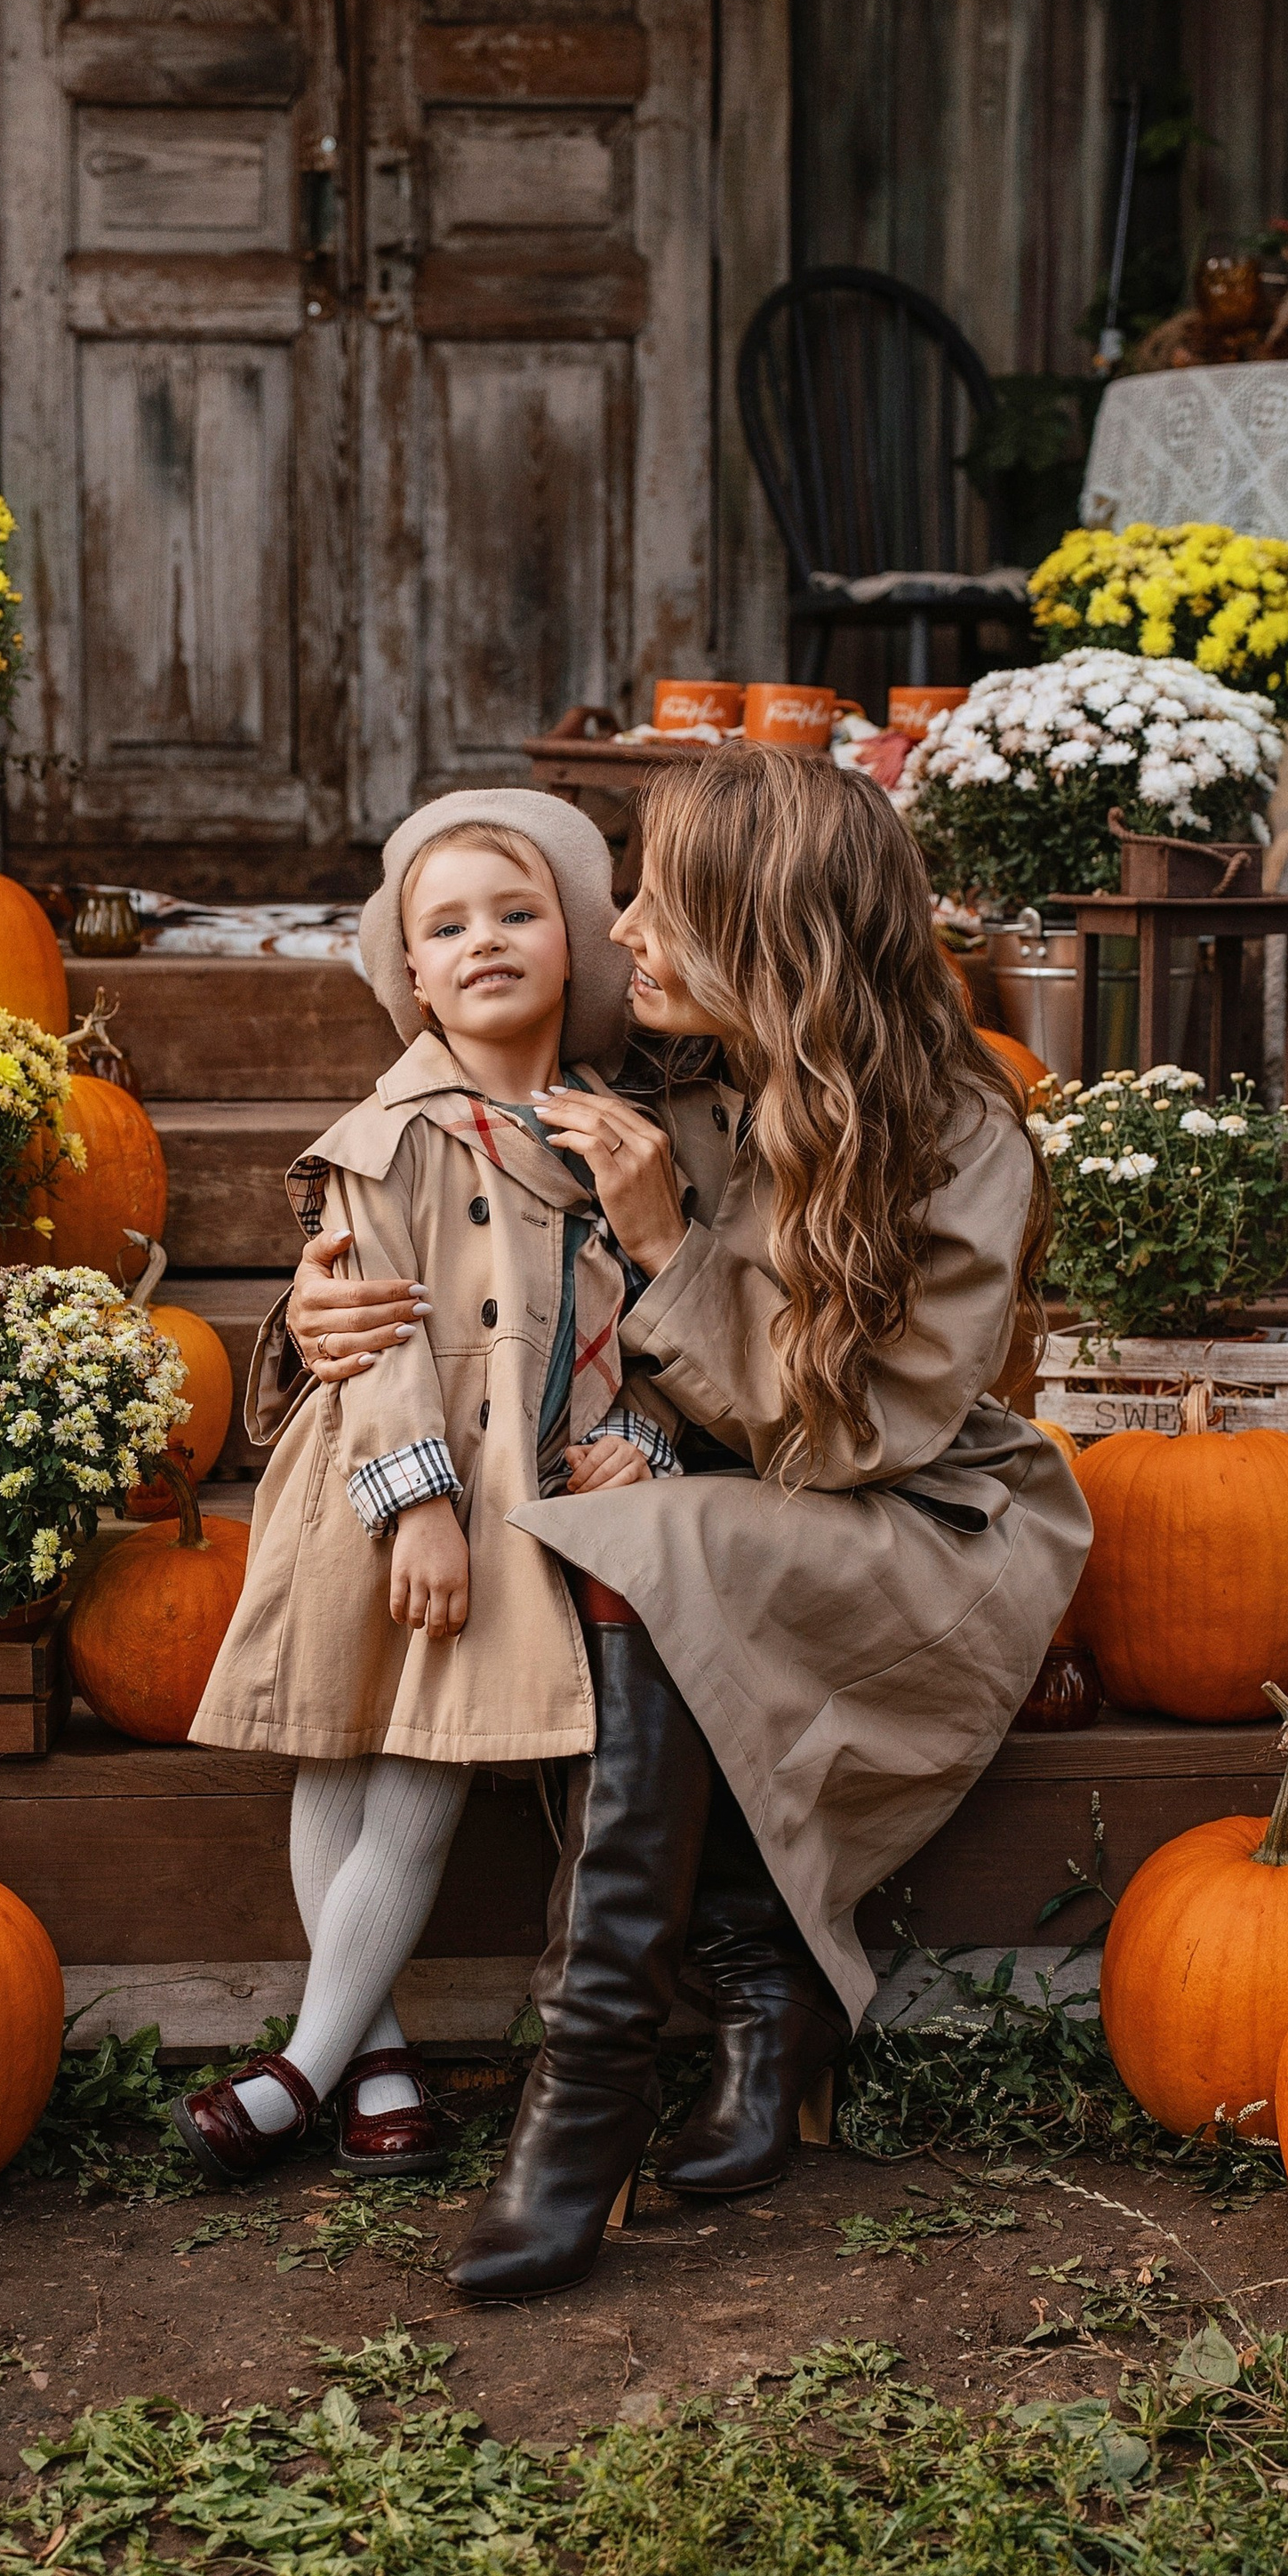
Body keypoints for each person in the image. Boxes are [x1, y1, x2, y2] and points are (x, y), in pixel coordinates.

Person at [286, 742, 1092, 2298]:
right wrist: (323, 1303)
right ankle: (745, 1987)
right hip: (730, 1493)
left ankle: (582, 2096)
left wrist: (666, 1244)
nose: (622, 928)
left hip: (913, 1516)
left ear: (770, 937)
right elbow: (445, 1168)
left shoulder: (958, 1132)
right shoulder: (670, 1068)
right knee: (634, 1534)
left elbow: (866, 1428)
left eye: (664, 899)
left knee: (648, 1538)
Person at [170, 790, 681, 2187]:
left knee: (425, 1752)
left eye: (517, 914)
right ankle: (350, 2057)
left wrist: (645, 1438)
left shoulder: (609, 1139)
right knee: (343, 1737)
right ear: (408, 974)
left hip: (519, 1480)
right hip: (385, 1490)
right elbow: (379, 1340)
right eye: (444, 925)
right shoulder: (383, 1135)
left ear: (573, 946)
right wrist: (422, 1507)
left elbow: (633, 1321)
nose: (484, 942)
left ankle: (323, 2064)